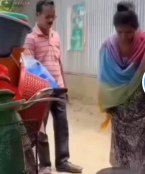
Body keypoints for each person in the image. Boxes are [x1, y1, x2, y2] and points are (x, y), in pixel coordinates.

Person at [98, 1, 145, 173]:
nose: (124, 36)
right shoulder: (108, 48)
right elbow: (105, 80)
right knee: (122, 158)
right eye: (120, 32)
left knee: (141, 160)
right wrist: (111, 104)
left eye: (129, 32)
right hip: (120, 113)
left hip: (142, 112)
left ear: (137, 29)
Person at [23, 0, 82, 173]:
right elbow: (29, 68)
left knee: (62, 125)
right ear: (37, 16)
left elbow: (59, 63)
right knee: (41, 127)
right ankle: (45, 165)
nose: (51, 20)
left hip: (59, 89)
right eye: (47, 16)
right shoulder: (30, 38)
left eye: (53, 16)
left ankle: (63, 161)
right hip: (41, 91)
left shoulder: (56, 36)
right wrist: (33, 94)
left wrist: (65, 86)